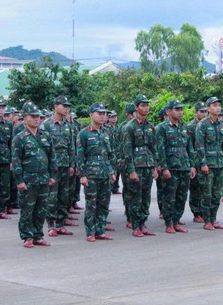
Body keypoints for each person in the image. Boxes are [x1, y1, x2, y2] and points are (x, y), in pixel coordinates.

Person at [13, 102, 56, 248]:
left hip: (43, 179)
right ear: (25, 118)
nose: (37, 119)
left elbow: (51, 156)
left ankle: (38, 235)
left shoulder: (45, 136)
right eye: (33, 116)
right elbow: (16, 161)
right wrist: (19, 180)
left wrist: (51, 175)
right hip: (28, 180)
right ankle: (27, 237)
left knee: (41, 209)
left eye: (38, 116)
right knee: (27, 210)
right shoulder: (19, 138)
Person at [121, 95, 158, 237]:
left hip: (148, 165)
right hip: (136, 166)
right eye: (142, 105)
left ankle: (143, 223)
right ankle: (135, 225)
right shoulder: (129, 127)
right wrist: (131, 170)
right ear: (136, 108)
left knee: (146, 196)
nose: (146, 108)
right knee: (135, 196)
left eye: (147, 105)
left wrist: (155, 166)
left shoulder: (150, 126)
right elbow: (127, 150)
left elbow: (153, 147)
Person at [78, 102, 116, 242]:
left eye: (104, 113)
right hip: (91, 174)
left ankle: (100, 230)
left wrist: (112, 171)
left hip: (105, 173)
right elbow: (80, 156)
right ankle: (90, 232)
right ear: (91, 115)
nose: (102, 116)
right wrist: (82, 175)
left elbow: (110, 154)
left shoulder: (106, 133)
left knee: (104, 204)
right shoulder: (84, 133)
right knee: (91, 204)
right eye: (99, 113)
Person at [155, 99, 194, 234]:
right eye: (176, 109)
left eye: (181, 109)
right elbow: (160, 149)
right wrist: (164, 167)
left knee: (182, 196)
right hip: (171, 167)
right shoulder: (162, 128)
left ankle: (177, 221)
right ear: (168, 112)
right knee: (169, 196)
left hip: (184, 166)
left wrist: (192, 165)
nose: (180, 112)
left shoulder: (184, 127)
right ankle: (169, 222)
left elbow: (189, 147)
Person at [43, 95, 78, 237]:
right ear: (56, 106)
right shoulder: (46, 125)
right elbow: (43, 147)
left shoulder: (68, 126)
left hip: (65, 164)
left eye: (67, 106)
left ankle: (61, 223)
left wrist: (72, 164)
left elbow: (71, 146)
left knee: (65, 195)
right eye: (64, 106)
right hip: (53, 165)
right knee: (52, 195)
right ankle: (51, 225)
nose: (66, 108)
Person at [196, 97, 223, 230]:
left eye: (219, 105)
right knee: (207, 193)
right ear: (209, 108)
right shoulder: (203, 124)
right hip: (208, 164)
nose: (218, 108)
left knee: (217, 194)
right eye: (215, 105)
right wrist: (203, 163)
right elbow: (199, 145)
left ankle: (214, 218)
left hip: (220, 163)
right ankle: (207, 220)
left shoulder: (222, 124)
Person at [187, 103, 207, 221]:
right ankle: (196, 213)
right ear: (196, 113)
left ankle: (204, 211)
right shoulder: (191, 127)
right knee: (195, 188)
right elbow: (190, 146)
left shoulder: (207, 125)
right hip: (195, 160)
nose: (204, 114)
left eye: (205, 112)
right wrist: (192, 164)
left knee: (205, 188)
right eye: (201, 112)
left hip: (205, 159)